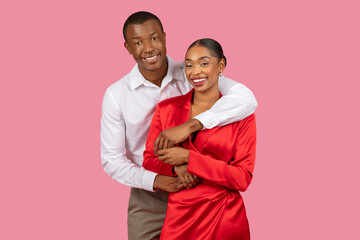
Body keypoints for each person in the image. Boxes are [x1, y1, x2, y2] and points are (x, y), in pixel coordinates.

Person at [101, 11, 257, 240]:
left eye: (154, 38)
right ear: (128, 47)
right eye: (138, 42)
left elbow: (246, 99)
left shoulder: (192, 72)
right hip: (150, 188)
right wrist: (165, 175)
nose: (148, 48)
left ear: (164, 37)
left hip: (208, 190)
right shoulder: (116, 95)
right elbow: (111, 159)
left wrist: (192, 125)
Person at [143, 38, 256, 240]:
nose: (195, 72)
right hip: (180, 216)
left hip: (223, 215)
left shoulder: (242, 116)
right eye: (189, 65)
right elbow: (149, 159)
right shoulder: (167, 108)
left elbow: (242, 178)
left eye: (204, 63)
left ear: (221, 65)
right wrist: (176, 167)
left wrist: (189, 158)